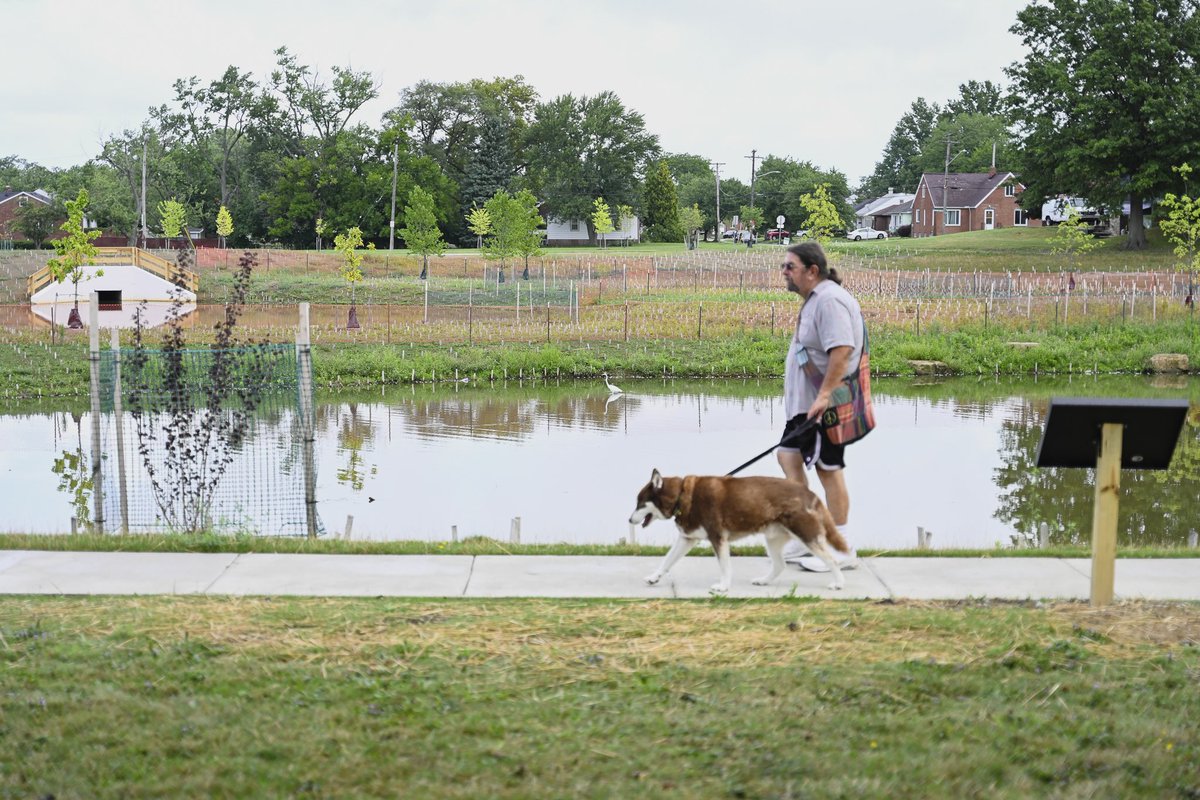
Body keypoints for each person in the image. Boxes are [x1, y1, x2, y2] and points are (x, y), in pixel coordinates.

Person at [777, 241, 864, 572]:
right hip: (805, 405)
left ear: (812, 271)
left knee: (829, 469)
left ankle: (840, 548)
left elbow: (841, 349)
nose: (784, 273)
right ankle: (809, 536)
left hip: (823, 405)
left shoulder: (830, 301)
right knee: (787, 456)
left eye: (790, 267)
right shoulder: (815, 299)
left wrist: (825, 395)